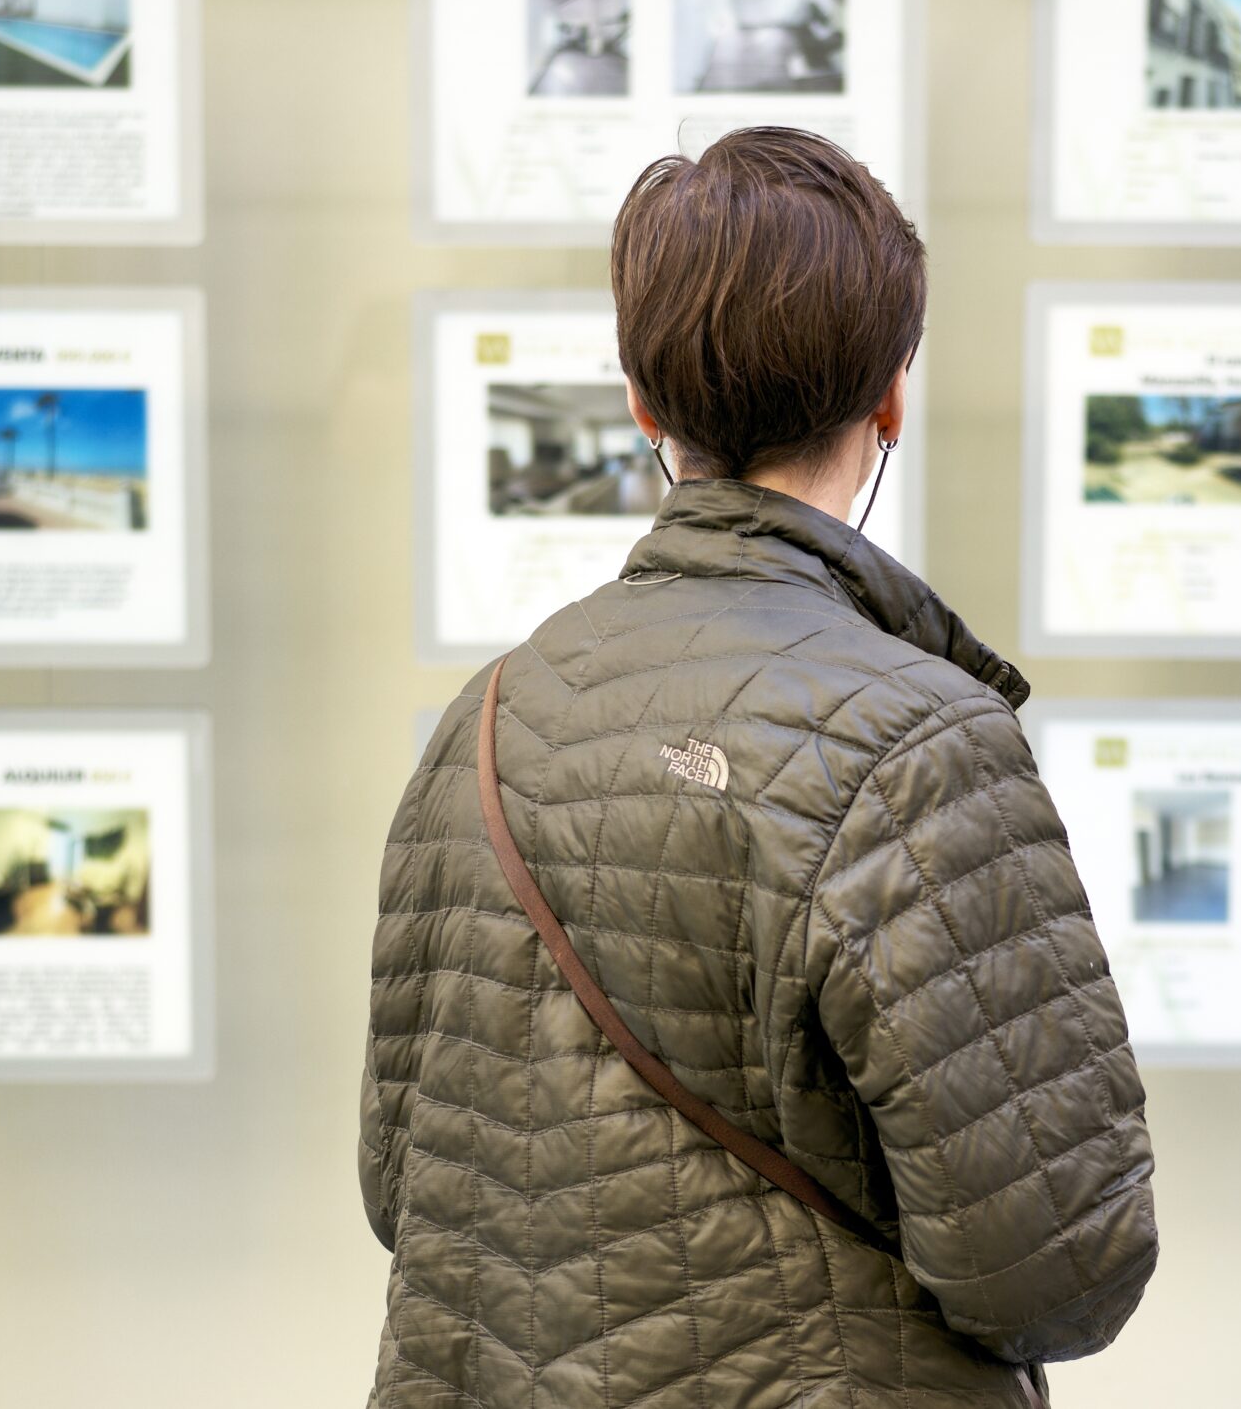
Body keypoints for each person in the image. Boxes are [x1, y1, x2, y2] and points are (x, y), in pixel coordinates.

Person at [360, 128, 1158, 1407]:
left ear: (642, 404)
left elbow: (401, 1178)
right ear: (890, 397)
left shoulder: (487, 718)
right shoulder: (918, 745)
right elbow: (1057, 1266)